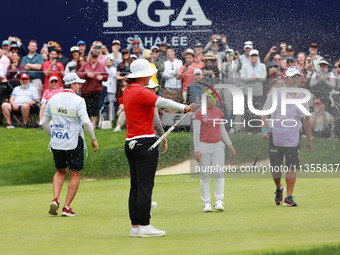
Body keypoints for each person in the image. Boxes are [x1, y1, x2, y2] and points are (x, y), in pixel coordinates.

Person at [124, 59, 199, 237]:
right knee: (145, 186)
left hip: (131, 143)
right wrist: (186, 107)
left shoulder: (128, 91)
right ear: (143, 75)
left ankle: (135, 227)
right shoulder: (141, 92)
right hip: (145, 144)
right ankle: (145, 226)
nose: (151, 74)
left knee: (136, 186)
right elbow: (164, 102)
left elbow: (156, 111)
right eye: (149, 72)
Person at [41, 73, 99, 217]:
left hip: (57, 141)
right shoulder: (78, 100)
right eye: (78, 84)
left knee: (60, 170)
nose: (80, 86)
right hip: (74, 141)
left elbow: (43, 123)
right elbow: (86, 122)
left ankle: (55, 199)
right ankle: (66, 207)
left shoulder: (53, 99)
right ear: (72, 84)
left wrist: (53, 135)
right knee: (75, 173)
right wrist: (93, 138)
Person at [261, 66, 312, 207]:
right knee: (276, 169)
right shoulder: (275, 93)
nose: (296, 80)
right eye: (293, 77)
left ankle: (289, 196)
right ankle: (279, 188)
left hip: (293, 137)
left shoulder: (302, 96)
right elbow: (264, 113)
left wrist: (308, 138)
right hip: (276, 135)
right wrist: (264, 130)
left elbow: (306, 119)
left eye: (297, 77)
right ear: (286, 78)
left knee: (291, 167)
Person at [193, 96, 236, 212]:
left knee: (219, 173)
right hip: (203, 146)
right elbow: (196, 133)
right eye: (211, 99)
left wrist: (229, 144)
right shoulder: (199, 113)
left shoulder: (218, 111)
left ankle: (219, 201)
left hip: (217, 146)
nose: (214, 101)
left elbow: (222, 129)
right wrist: (196, 149)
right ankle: (206, 202)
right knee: (205, 175)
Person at [77, 50, 109, 128]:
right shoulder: (85, 65)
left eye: (95, 56)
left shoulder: (101, 66)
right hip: (86, 90)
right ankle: (87, 124)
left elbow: (106, 76)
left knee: (95, 107)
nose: (94, 58)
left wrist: (101, 77)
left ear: (97, 57)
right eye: (93, 56)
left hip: (97, 90)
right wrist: (86, 74)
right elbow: (78, 73)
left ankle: (93, 125)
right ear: (90, 57)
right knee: (86, 107)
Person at [240, 49, 267, 132]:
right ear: (250, 57)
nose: (254, 57)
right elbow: (243, 78)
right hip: (248, 92)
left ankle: (258, 129)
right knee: (248, 111)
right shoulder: (245, 66)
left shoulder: (262, 66)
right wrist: (251, 78)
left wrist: (257, 77)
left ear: (258, 57)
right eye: (252, 56)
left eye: (255, 55)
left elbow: (264, 78)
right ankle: (249, 129)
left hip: (258, 92)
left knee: (258, 111)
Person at [97, 54, 117, 122]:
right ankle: (101, 120)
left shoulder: (114, 69)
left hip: (112, 90)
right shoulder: (102, 68)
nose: (109, 62)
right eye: (108, 60)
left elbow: (115, 76)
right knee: (102, 105)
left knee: (111, 106)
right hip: (103, 88)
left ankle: (111, 120)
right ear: (105, 61)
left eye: (111, 60)